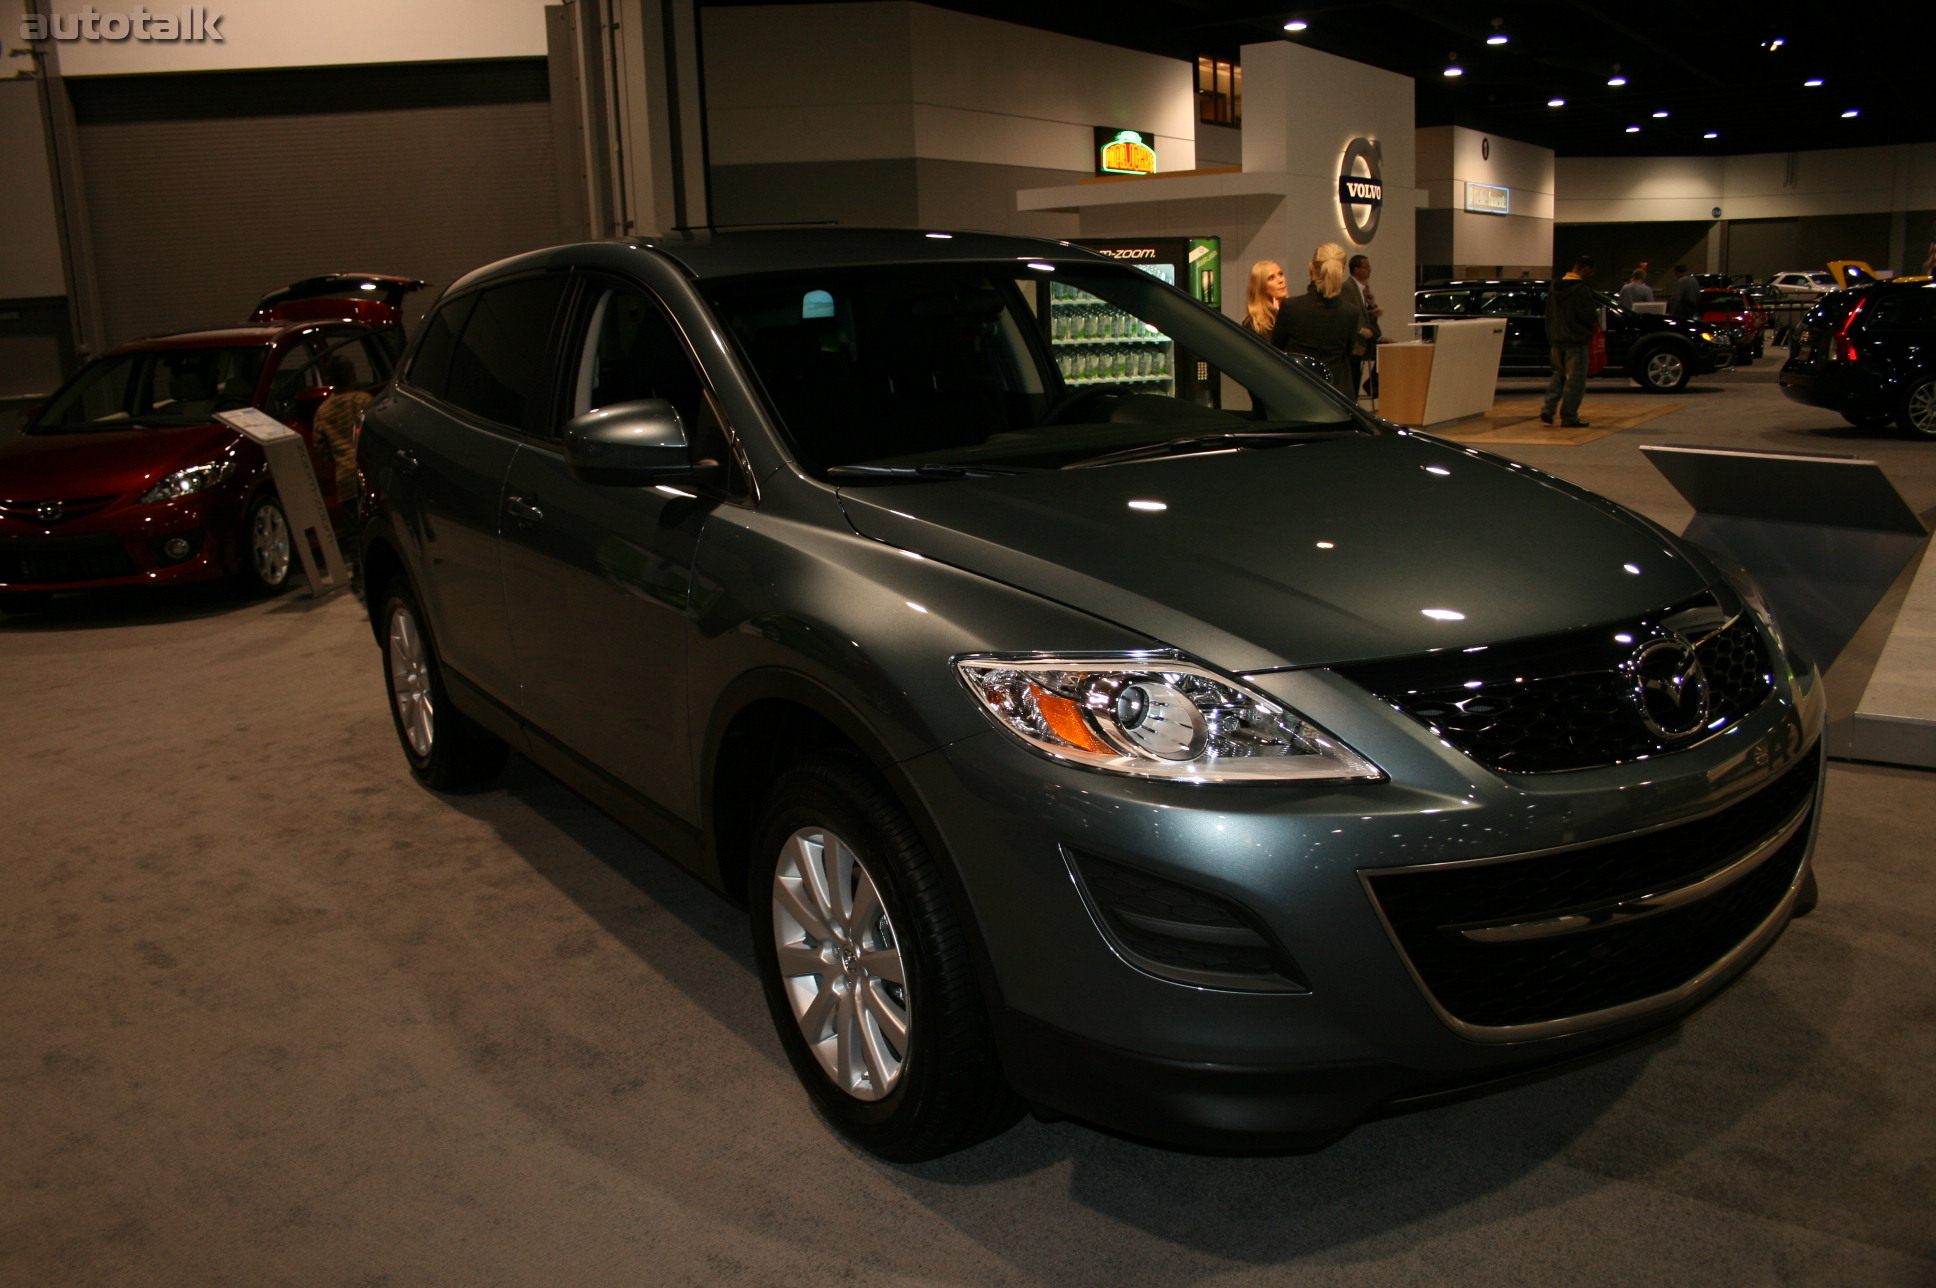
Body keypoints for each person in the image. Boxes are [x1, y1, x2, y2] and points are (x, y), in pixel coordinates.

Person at [1271, 242, 1370, 398]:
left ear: (1311, 267)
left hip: (1299, 393)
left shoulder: (1291, 307)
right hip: (1338, 396)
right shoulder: (1350, 312)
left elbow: (1276, 349)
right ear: (1341, 270)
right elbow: (1347, 351)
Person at [1540, 254, 1599, 428]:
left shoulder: (1554, 287)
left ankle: (1548, 409)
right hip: (1575, 340)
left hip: (1557, 339)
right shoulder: (1581, 290)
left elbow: (1548, 315)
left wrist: (1552, 335)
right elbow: (1588, 316)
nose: (1591, 274)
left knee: (1558, 375)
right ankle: (1569, 416)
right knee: (1576, 381)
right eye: (1591, 271)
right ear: (1585, 268)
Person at [1343, 253, 1383, 399]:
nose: (1370, 270)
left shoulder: (1363, 289)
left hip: (1364, 342)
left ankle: (1373, 382)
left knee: (1386, 346)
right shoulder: (1347, 287)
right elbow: (1346, 314)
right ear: (1357, 269)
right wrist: (1360, 330)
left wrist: (1373, 308)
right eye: (1366, 267)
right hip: (1355, 343)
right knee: (1353, 381)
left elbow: (1363, 315)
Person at [1243, 260, 1288, 337]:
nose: (1281, 280)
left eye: (1280, 274)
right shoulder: (1252, 324)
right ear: (1260, 286)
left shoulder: (1291, 313)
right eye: (1271, 278)